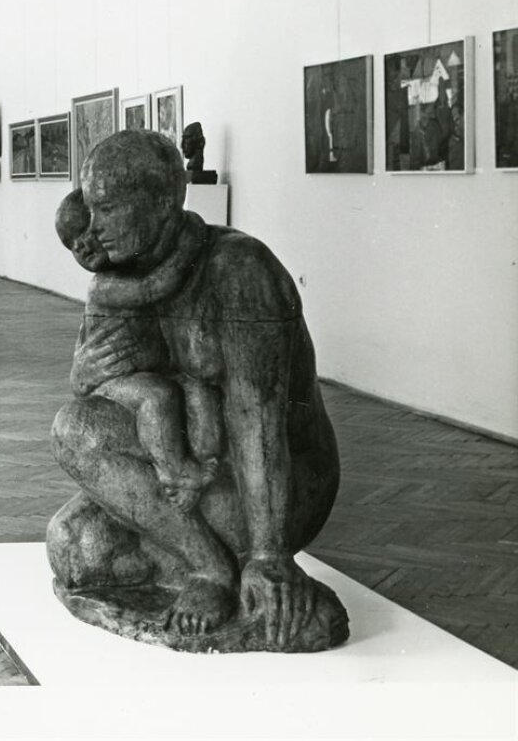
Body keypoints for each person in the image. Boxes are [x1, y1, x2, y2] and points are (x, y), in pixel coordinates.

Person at [47, 130, 341, 646]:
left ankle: (214, 570)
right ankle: (194, 558)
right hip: (189, 469)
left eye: (108, 209)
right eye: (91, 209)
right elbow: (101, 385)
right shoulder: (123, 271)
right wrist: (84, 372)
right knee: (76, 549)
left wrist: (268, 556)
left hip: (270, 490)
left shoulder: (239, 271)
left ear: (163, 202)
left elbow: (257, 420)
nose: (94, 227)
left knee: (73, 432)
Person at [54, 190, 220, 510]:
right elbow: (155, 287)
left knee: (192, 397)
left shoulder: (129, 272)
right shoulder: (104, 284)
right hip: (113, 378)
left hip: (141, 369)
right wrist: (192, 236)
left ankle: (194, 466)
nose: (81, 246)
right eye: (71, 244)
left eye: (86, 231)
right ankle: (173, 471)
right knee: (156, 397)